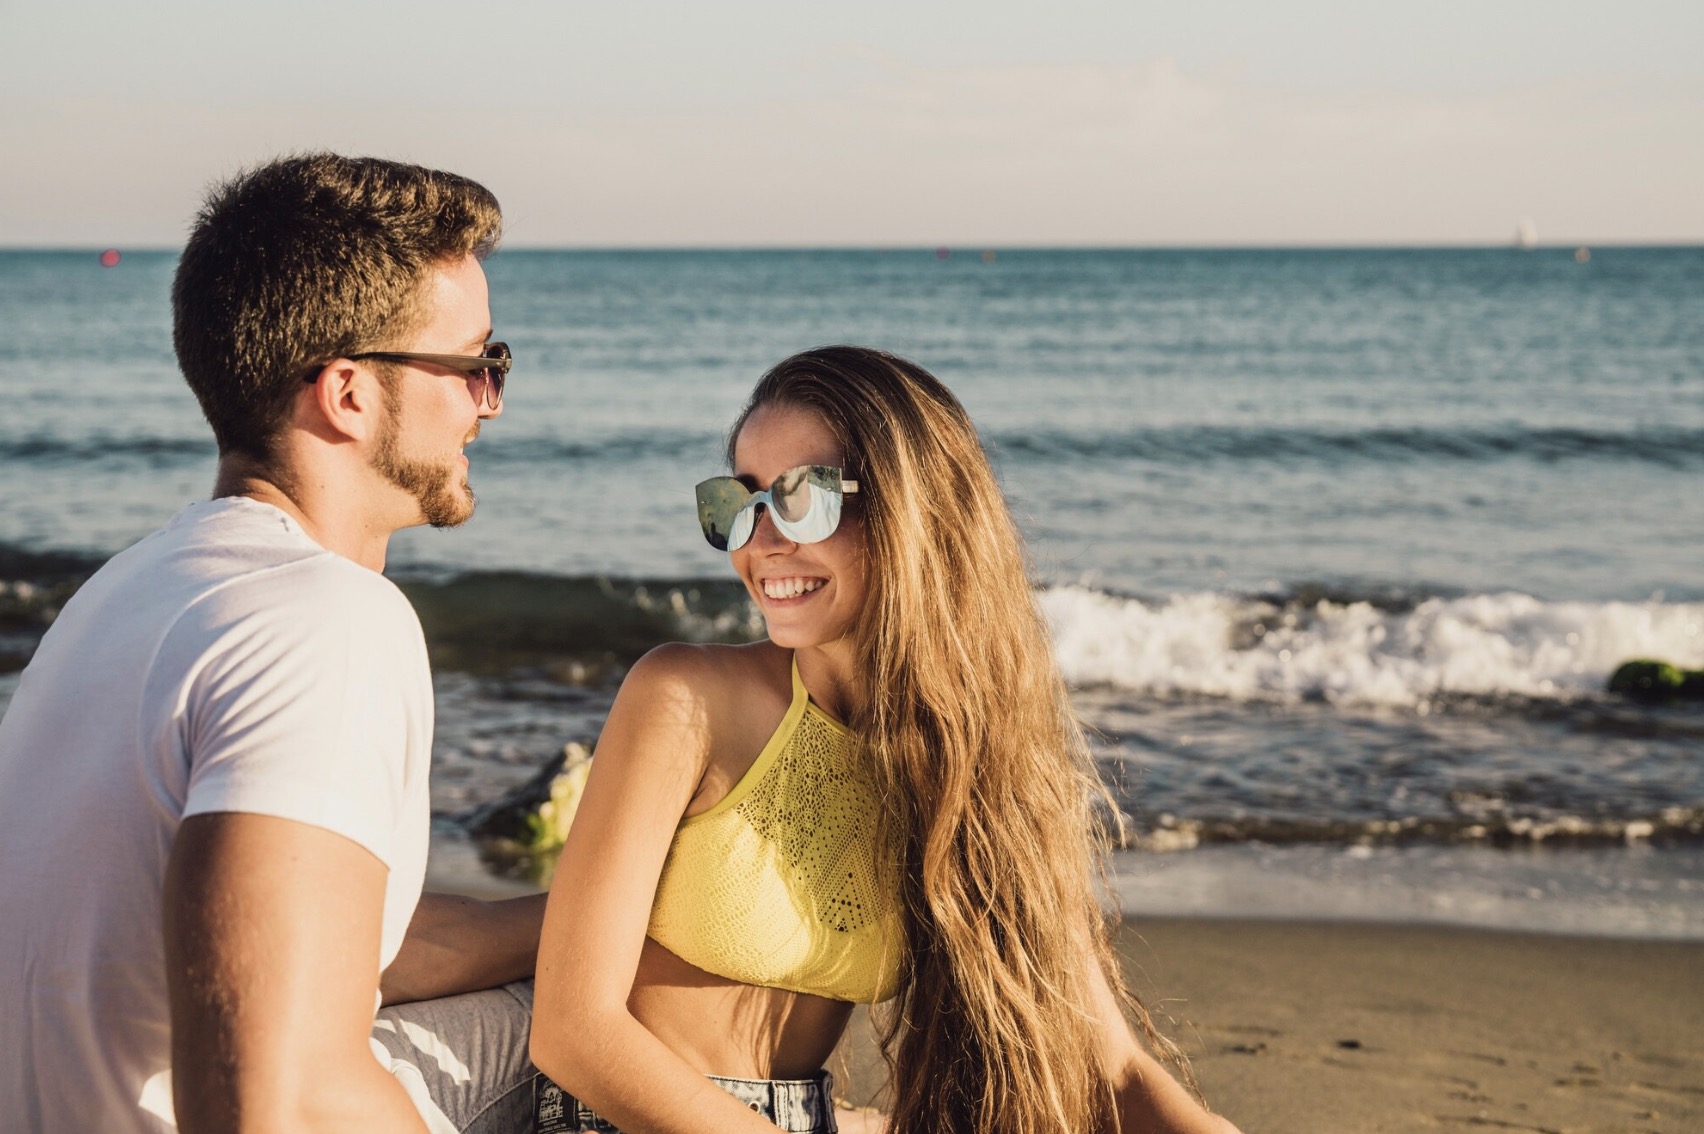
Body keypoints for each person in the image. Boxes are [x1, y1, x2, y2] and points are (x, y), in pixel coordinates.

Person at [529, 346, 1240, 1133]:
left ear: (912, 512)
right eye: (741, 501)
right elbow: (576, 1032)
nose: (760, 542)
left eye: (803, 499)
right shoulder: (687, 697)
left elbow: (1108, 1065)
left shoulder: (978, 760)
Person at [0, 154, 543, 1133]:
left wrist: (572, 922)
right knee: (580, 1027)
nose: (488, 403)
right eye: (475, 366)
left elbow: (295, 934)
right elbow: (275, 1102)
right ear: (346, 393)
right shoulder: (325, 622)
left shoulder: (123, 596)